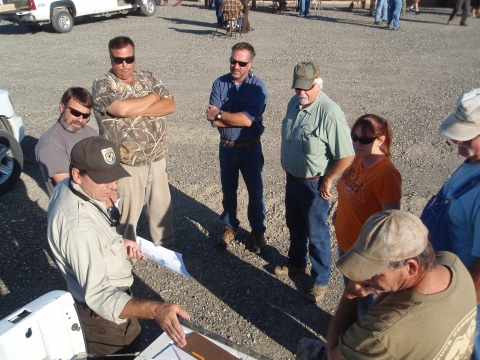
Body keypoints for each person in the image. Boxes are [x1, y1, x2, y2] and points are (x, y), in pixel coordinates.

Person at [47, 137, 190, 356]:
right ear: (77, 174)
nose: (113, 186)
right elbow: (101, 296)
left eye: (113, 177)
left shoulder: (70, 187)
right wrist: (156, 309)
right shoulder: (77, 227)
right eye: (103, 180)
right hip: (104, 321)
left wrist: (116, 243)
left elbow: (95, 235)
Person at [327, 210, 477, 360]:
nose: (364, 277)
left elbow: (334, 354)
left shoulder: (383, 334)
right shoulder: (452, 263)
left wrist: (350, 295)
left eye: (374, 272)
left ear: (411, 267)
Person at [274, 62, 354, 304]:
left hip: (314, 185)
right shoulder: (294, 104)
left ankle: (320, 280)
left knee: (317, 236)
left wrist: (328, 179)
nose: (301, 93)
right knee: (295, 226)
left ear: (318, 84)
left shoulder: (330, 113)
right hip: (293, 181)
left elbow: (347, 155)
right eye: (297, 88)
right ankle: (297, 263)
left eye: (306, 88)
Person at [92, 36, 176, 249]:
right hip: (126, 163)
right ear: (111, 58)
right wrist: (153, 98)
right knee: (127, 214)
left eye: (129, 59)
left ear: (134, 58)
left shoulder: (147, 77)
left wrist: (134, 110)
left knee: (161, 208)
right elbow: (121, 110)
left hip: (156, 158)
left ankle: (165, 248)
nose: (124, 65)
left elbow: (170, 105)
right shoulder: (103, 84)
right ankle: (123, 252)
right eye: (118, 60)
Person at [421, 88, 480, 359]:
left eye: (465, 138)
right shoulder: (473, 162)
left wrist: (450, 308)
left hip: (467, 307)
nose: (457, 145)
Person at [334, 114, 401, 318]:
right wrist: (339, 212)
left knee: (364, 304)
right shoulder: (360, 159)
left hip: (366, 253)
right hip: (347, 245)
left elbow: (390, 221)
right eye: (354, 137)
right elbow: (349, 189)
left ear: (381, 140)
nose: (356, 143)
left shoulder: (386, 174)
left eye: (364, 140)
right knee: (351, 295)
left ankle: (359, 342)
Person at [206, 42, 268, 254]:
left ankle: (257, 231)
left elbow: (247, 121)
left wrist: (222, 115)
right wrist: (231, 119)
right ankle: (229, 226)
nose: (236, 66)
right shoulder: (219, 83)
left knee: (255, 192)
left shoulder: (258, 87)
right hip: (227, 148)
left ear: (250, 64)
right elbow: (212, 119)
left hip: (250, 148)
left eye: (241, 63)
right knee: (228, 192)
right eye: (233, 61)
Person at [35, 87, 98, 197]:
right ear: (62, 107)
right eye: (75, 112)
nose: (80, 119)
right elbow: (70, 186)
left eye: (85, 116)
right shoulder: (49, 143)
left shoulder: (90, 132)